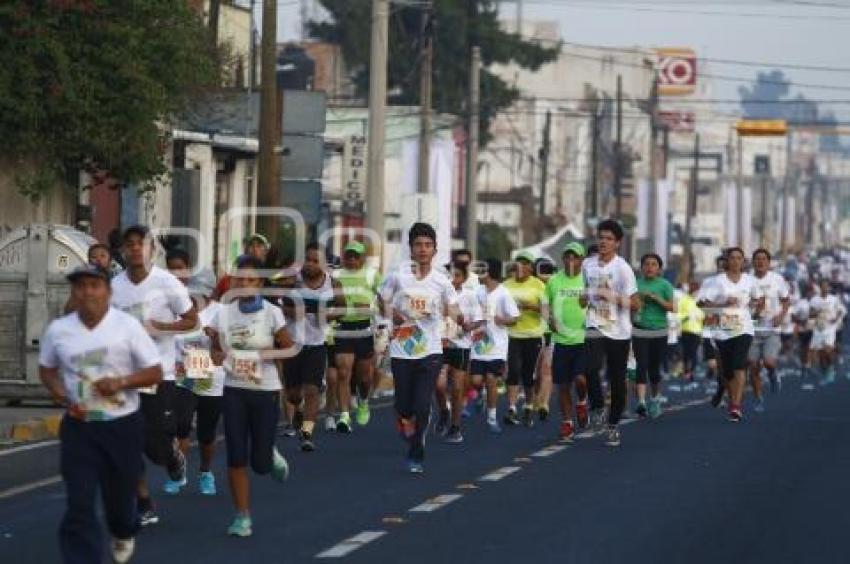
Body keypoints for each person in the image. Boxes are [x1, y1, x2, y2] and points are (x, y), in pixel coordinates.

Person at [40, 265, 163, 564]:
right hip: (80, 427)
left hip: (122, 427)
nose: (87, 293)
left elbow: (155, 372)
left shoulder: (127, 326)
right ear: (74, 293)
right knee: (79, 503)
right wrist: (58, 391)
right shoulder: (59, 330)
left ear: (108, 291)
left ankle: (123, 531)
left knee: (120, 506)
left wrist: (121, 382)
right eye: (80, 287)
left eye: (94, 286)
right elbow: (47, 369)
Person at [110, 225, 198, 525]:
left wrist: (161, 328)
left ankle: (172, 457)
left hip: (159, 374)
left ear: (151, 250)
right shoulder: (114, 285)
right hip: (124, 376)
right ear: (123, 250)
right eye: (130, 244)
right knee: (126, 444)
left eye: (141, 244)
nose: (135, 249)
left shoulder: (167, 283)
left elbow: (191, 320)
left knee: (156, 446)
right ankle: (144, 501)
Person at [209, 255, 293, 537]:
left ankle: (269, 452)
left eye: (250, 280)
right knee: (235, 456)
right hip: (234, 390)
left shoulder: (272, 313)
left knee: (260, 465)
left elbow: (289, 348)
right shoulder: (223, 313)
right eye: (239, 279)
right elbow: (215, 351)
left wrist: (262, 354)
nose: (244, 285)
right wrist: (220, 356)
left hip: (264, 390)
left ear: (259, 283)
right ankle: (242, 516)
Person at [379, 223, 459, 473]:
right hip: (403, 348)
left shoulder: (441, 281)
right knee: (404, 405)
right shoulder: (398, 275)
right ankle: (408, 423)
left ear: (435, 250)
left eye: (427, 245)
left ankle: (417, 451)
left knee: (422, 403)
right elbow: (381, 299)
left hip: (430, 350)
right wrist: (394, 315)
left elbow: (453, 308)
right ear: (411, 249)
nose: (423, 250)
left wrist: (448, 319)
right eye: (418, 245)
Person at [166, 250, 224, 496]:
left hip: (212, 379)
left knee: (207, 433)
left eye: (202, 291)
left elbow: (225, 352)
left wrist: (217, 338)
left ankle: (205, 471)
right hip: (184, 375)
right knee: (180, 425)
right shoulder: (178, 310)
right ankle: (179, 473)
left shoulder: (221, 312)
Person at [281, 243, 345, 452]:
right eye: (307, 259)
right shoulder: (293, 281)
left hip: (316, 345)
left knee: (312, 389)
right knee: (293, 394)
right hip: (292, 344)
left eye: (315, 260)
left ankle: (307, 433)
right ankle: (297, 411)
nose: (310, 264)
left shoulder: (333, 284)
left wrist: (326, 315)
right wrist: (290, 312)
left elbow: (342, 309)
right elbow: (279, 304)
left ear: (325, 264)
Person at [581, 220, 639, 447]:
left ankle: (613, 424)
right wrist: (585, 297)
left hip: (619, 331)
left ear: (617, 243)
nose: (603, 242)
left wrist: (612, 297)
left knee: (617, 381)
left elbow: (635, 304)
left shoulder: (623, 268)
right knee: (590, 367)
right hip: (595, 323)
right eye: (601, 237)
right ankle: (596, 407)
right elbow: (584, 294)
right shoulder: (588, 264)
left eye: (608, 239)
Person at [699, 247, 763, 422]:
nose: (735, 261)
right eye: (732, 258)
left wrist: (756, 311)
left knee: (738, 365)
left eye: (739, 258)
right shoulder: (717, 281)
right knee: (727, 372)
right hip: (722, 331)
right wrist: (723, 303)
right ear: (726, 261)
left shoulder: (750, 281)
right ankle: (730, 395)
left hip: (744, 328)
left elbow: (758, 299)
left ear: (743, 261)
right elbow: (703, 305)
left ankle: (735, 406)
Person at [333, 241, 383, 432]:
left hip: (364, 329)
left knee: (363, 378)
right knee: (343, 371)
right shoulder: (335, 275)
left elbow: (386, 300)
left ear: (362, 258)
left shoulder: (372, 275)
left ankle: (363, 401)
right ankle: (344, 415)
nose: (352, 260)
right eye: (349, 256)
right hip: (342, 327)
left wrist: (371, 308)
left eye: (356, 256)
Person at [470, 258, 520, 434]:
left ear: (489, 272)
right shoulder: (477, 291)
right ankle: (480, 396)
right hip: (478, 345)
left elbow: (515, 318)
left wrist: (503, 320)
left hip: (497, 347)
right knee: (475, 381)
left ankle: (491, 418)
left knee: (491, 380)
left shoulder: (503, 293)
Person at [436, 261, 484, 443]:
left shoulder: (470, 296)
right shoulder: (438, 295)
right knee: (439, 385)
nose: (451, 279)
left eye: (456, 275)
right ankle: (443, 411)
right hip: (440, 345)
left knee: (457, 388)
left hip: (461, 345)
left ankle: (455, 427)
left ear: (463, 278)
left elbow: (478, 320)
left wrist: (469, 325)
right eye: (448, 275)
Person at [544, 242, 588, 442]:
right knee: (562, 385)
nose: (571, 260)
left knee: (580, 379)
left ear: (582, 260)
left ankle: (582, 401)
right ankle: (568, 423)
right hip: (560, 340)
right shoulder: (554, 280)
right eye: (567, 256)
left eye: (575, 257)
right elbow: (545, 305)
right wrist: (548, 319)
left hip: (583, 339)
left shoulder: (588, 280)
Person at [502, 252, 547, 427]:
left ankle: (528, 405)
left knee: (528, 374)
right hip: (512, 334)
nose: (521, 266)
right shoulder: (506, 285)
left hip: (533, 335)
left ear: (530, 267)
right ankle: (512, 408)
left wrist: (531, 306)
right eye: (518, 262)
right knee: (513, 370)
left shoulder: (539, 286)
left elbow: (546, 311)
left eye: (525, 263)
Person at [632, 253, 676, 419]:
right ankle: (642, 402)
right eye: (646, 264)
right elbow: (630, 305)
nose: (649, 267)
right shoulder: (635, 284)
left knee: (654, 369)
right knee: (641, 365)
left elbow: (673, 307)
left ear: (659, 268)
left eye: (653, 264)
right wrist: (638, 302)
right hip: (639, 329)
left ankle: (655, 398)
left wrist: (657, 299)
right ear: (641, 267)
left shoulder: (664, 285)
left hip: (659, 330)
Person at [748, 249, 790, 411]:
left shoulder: (777, 279)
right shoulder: (747, 281)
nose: (760, 262)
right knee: (753, 365)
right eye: (757, 259)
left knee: (768, 362)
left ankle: (773, 374)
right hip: (752, 329)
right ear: (753, 262)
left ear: (769, 262)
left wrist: (781, 315)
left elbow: (786, 301)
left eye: (764, 259)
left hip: (771, 328)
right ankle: (759, 399)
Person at [809, 278, 846, 386]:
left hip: (830, 328)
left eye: (827, 286)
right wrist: (816, 311)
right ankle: (825, 372)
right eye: (823, 286)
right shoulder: (814, 300)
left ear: (829, 287)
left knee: (828, 351)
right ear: (820, 287)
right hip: (819, 328)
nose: (825, 288)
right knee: (821, 355)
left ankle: (830, 369)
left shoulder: (834, 299)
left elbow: (840, 310)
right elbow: (810, 314)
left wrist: (836, 318)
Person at [533, 257, 556, 422]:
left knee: (547, 370)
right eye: (542, 271)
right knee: (535, 372)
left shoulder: (556, 286)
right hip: (533, 333)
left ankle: (544, 403)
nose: (545, 275)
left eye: (549, 271)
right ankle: (534, 397)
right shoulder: (531, 287)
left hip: (550, 333)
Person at [215, 233, 271, 298]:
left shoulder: (270, 275)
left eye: (259, 246)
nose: (255, 249)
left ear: (265, 251)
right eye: (251, 246)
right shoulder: (231, 277)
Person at [678, 282, 705, 387]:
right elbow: (679, 314)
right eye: (695, 291)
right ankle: (686, 370)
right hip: (686, 330)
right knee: (686, 352)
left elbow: (704, 314)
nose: (696, 293)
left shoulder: (700, 301)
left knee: (693, 352)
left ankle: (691, 371)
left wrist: (699, 315)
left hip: (696, 331)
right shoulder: (684, 300)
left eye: (698, 291)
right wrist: (686, 316)